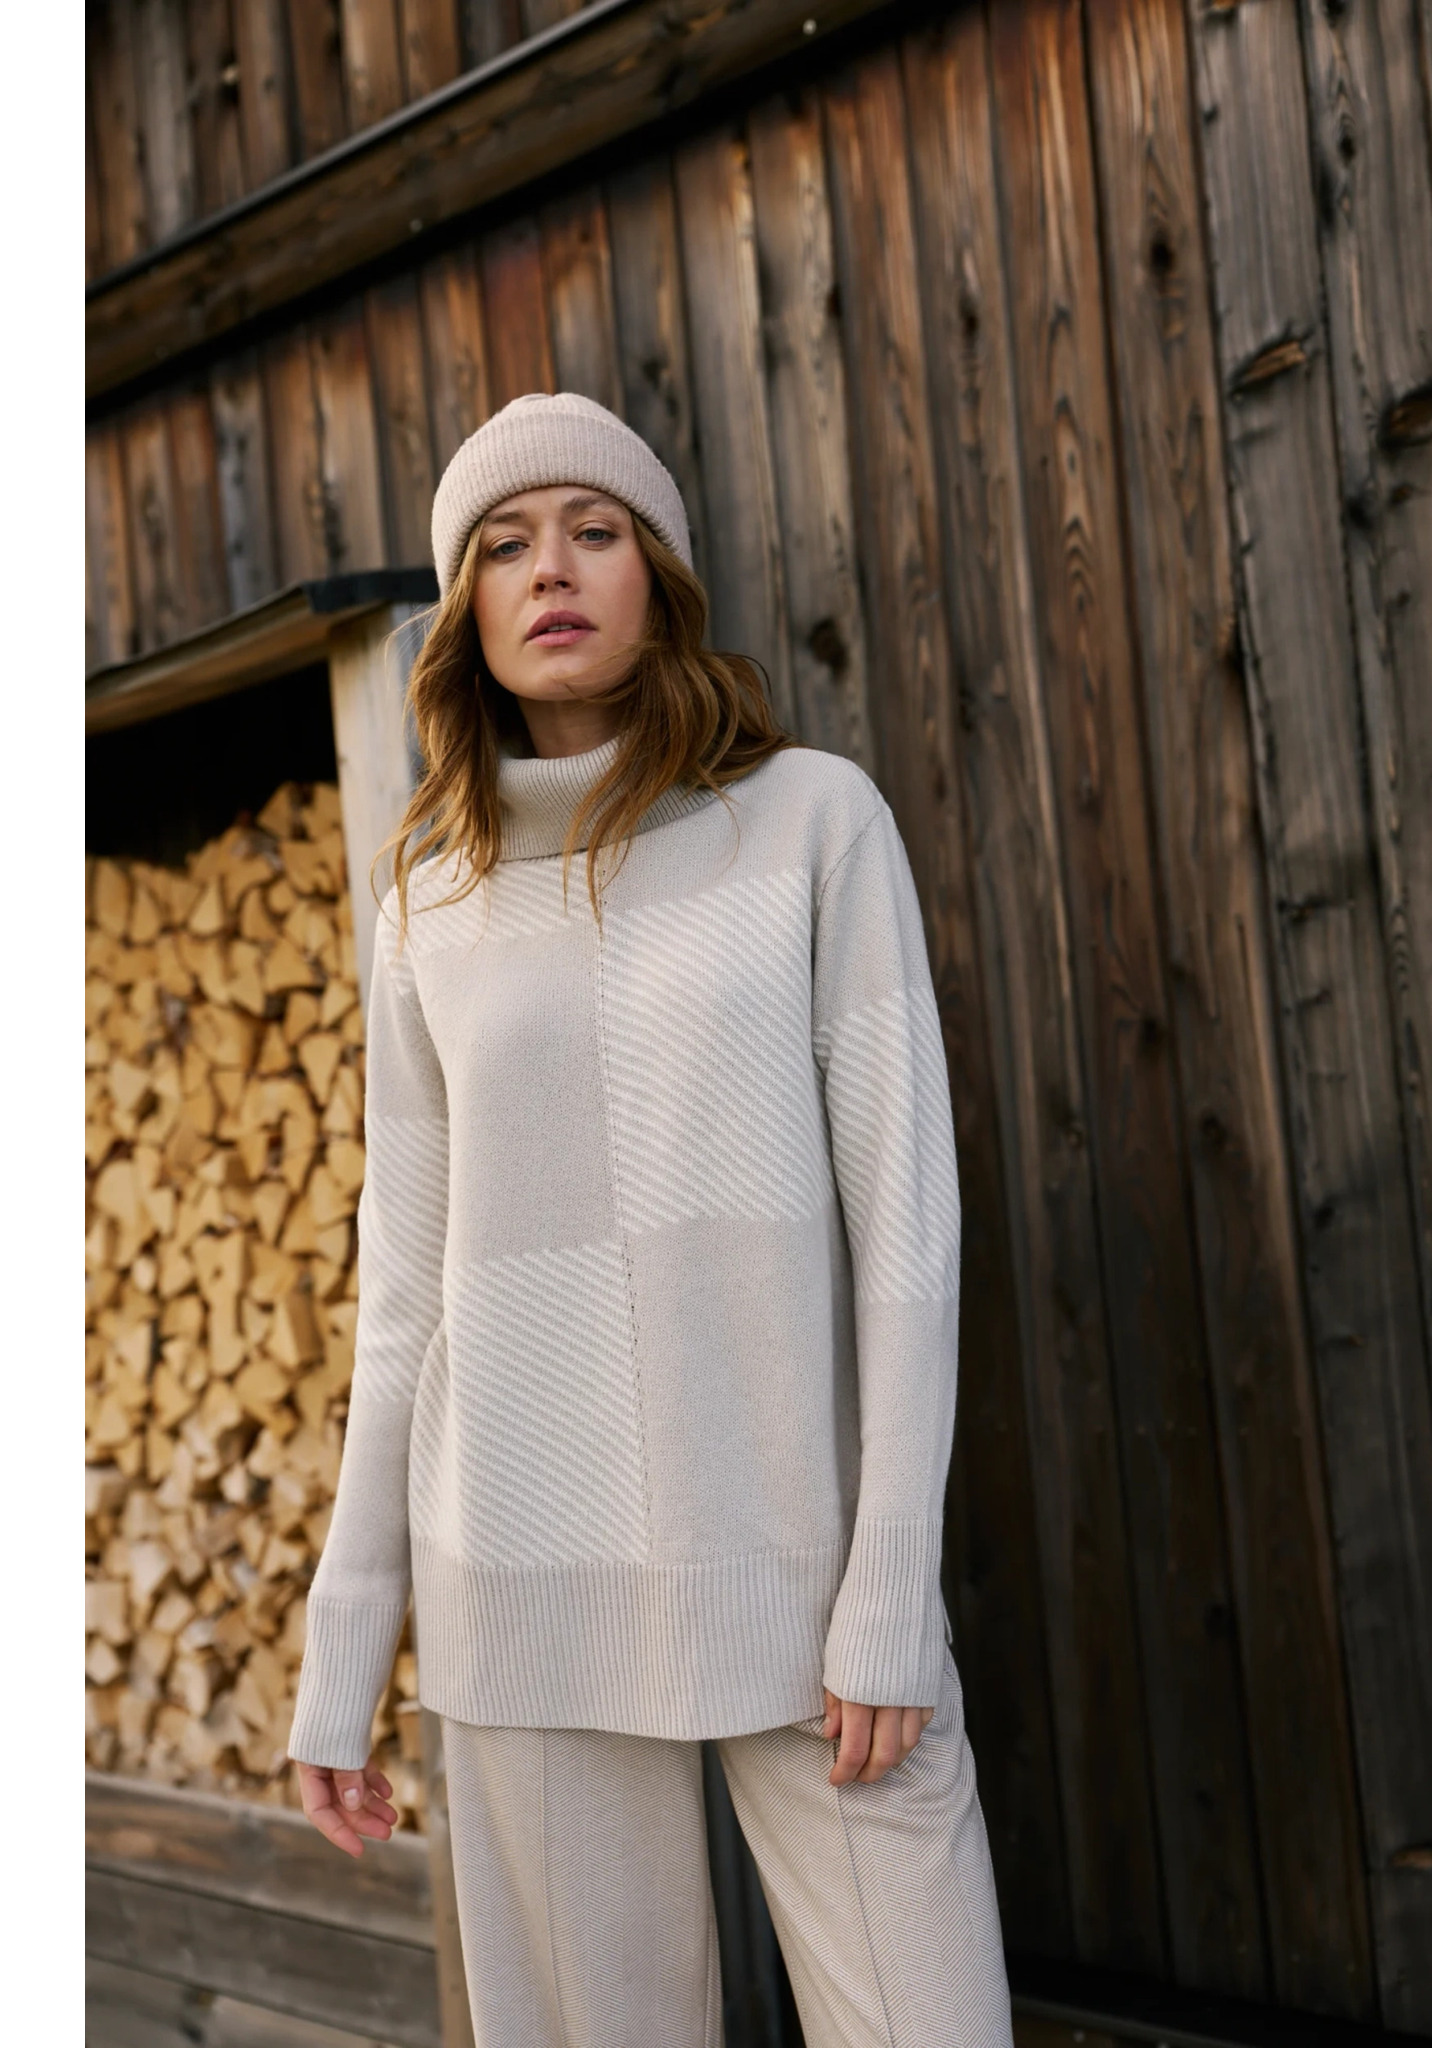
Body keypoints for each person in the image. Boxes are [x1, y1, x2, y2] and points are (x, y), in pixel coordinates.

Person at [286, 391, 1013, 2045]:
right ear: (466, 609)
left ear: (657, 578)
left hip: (799, 1573)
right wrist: (348, 1645)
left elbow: (908, 1235)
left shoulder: (812, 823)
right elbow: (405, 1296)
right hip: (520, 1579)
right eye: (505, 546)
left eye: (594, 532)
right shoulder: (430, 899)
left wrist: (891, 1585)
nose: (551, 569)